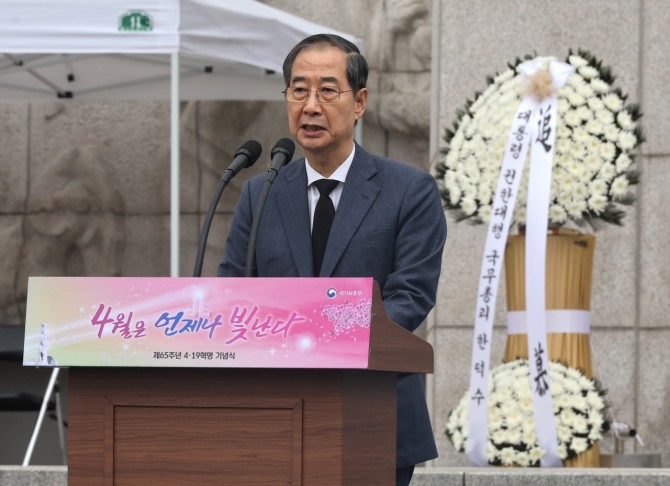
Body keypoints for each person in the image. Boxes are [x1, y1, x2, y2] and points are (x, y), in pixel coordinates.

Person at [218, 33, 447, 486]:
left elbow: (410, 296)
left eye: (327, 90)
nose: (310, 106)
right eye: (299, 90)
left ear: (359, 102)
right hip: (273, 414)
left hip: (373, 413)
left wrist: (317, 334)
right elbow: (232, 292)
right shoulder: (260, 193)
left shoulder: (409, 190)